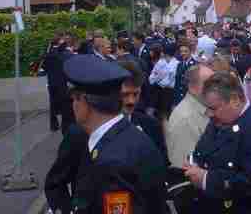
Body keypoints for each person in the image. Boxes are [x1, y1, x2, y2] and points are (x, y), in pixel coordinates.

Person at [47, 55, 166, 214]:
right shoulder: (132, 136)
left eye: (75, 99)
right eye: (125, 94)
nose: (73, 105)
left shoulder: (111, 164)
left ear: (84, 102)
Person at [184, 72, 251, 214]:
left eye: (213, 108)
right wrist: (193, 164)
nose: (209, 114)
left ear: (235, 100)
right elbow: (201, 151)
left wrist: (207, 179)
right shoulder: (219, 121)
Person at [119, 60, 168, 164]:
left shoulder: (152, 126)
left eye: (135, 94)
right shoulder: (96, 126)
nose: (131, 101)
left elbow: (162, 164)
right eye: (125, 94)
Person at [166, 64, 214, 167]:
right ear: (192, 88)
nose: (216, 88)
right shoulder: (185, 120)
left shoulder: (204, 109)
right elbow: (184, 167)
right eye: (209, 84)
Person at [42, 31, 75, 133]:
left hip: (52, 82)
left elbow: (44, 67)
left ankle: (54, 124)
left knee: (53, 104)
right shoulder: (66, 54)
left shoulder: (48, 53)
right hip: (63, 83)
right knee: (65, 105)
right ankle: (65, 126)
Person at [148, 43, 179, 122]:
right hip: (158, 90)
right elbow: (152, 76)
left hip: (169, 92)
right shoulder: (160, 62)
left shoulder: (177, 63)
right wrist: (157, 77)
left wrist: (158, 77)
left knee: (166, 114)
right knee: (158, 113)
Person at [173, 43, 198, 108]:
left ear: (190, 52)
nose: (183, 53)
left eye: (185, 51)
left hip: (188, 98)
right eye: (181, 51)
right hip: (178, 97)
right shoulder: (179, 64)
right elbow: (177, 82)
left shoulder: (195, 65)